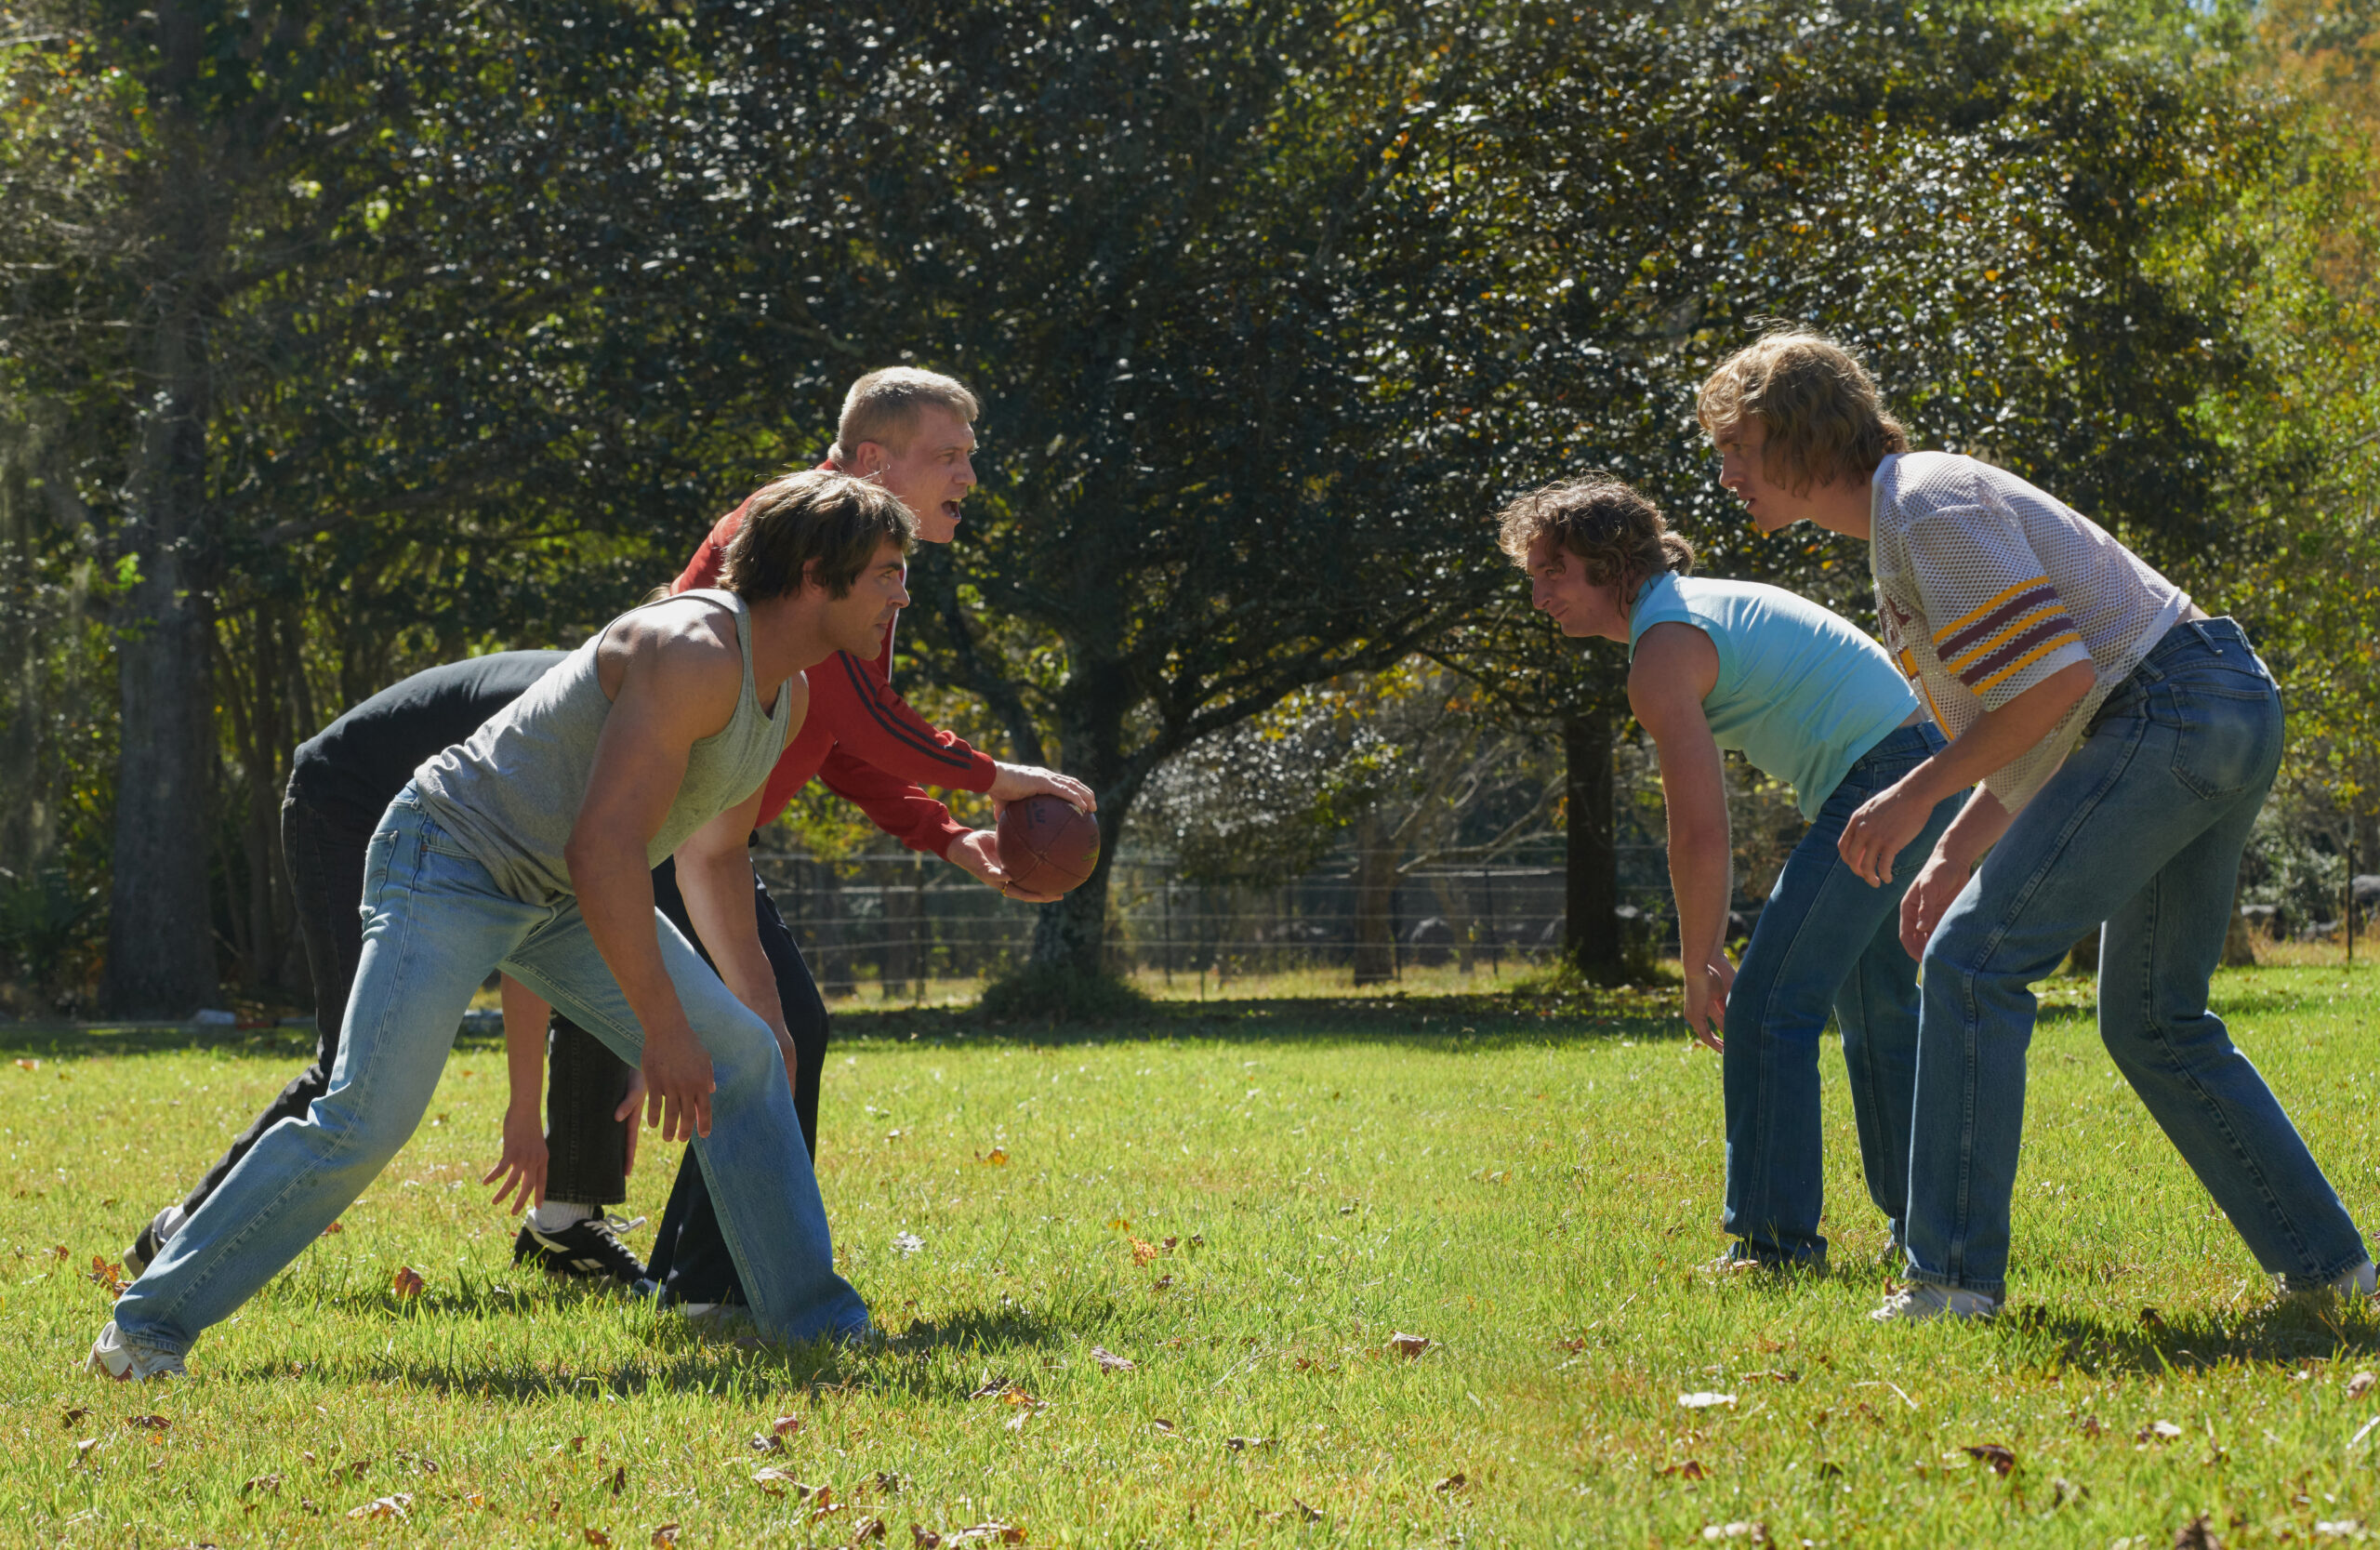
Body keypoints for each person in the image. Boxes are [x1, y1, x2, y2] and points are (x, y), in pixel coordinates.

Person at [87, 470, 903, 1380]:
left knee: (747, 1059)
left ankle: (815, 1324)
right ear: (811, 571)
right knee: (367, 1113)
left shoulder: (780, 694)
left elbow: (709, 858)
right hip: (449, 860)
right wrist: (662, 1029)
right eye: (883, 571)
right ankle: (146, 1327)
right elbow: (605, 845)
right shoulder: (694, 648)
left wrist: (754, 1016)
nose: (900, 594)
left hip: (555, 895)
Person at [1698, 330, 2375, 1320]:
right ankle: (2335, 1274)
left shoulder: (1922, 502)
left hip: (2167, 712)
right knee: (2153, 1018)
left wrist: (1914, 796)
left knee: (1974, 962)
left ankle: (1952, 1278)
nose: (1724, 474)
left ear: (1799, 437)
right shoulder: (1906, 520)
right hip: (2209, 707)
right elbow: (2039, 722)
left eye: (1735, 446)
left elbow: (2056, 687)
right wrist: (1952, 856)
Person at [630, 366, 1094, 1311]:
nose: (968, 476)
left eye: (972, 455)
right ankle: (711, 1284)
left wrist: (949, 833)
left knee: (772, 1032)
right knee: (777, 1031)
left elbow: (838, 735)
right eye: (949, 456)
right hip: (645, 833)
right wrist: (994, 777)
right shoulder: (802, 531)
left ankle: (692, 1274)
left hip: (701, 837)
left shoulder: (869, 549)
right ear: (875, 458)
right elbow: (861, 710)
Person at [1499, 477, 1965, 1271]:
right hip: (1926, 764)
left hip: (1889, 776)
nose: (1539, 594)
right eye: (1533, 574)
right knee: (1875, 1005)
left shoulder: (1663, 649)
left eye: (1555, 571)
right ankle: (1928, 1231)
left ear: (1612, 566)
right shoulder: (1687, 611)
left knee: (1767, 1003)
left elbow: (1702, 832)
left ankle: (1774, 1245)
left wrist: (1700, 956)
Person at [117, 652, 656, 1289]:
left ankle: (566, 1220)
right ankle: (181, 1235)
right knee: (357, 1061)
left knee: (593, 957)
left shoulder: (644, 719)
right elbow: (530, 928)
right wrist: (521, 1110)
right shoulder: (595, 723)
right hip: (344, 802)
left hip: (434, 815)